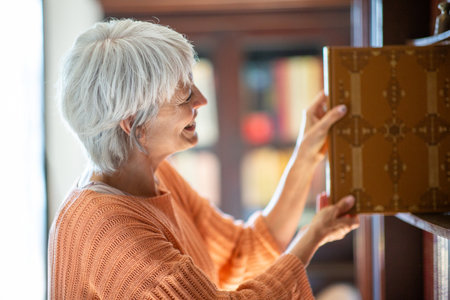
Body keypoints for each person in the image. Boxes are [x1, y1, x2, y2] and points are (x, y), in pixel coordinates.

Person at [48, 19, 359, 299]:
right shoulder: (110, 227)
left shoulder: (155, 174)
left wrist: (306, 154)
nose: (202, 99)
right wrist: (312, 236)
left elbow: (241, 253)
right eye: (184, 95)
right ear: (134, 124)